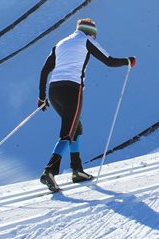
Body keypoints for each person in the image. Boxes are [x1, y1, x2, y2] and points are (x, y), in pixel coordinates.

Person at [38, 18, 135, 192]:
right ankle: (49, 170)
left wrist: (41, 97)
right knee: (68, 131)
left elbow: (45, 69)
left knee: (76, 127)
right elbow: (109, 61)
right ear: (91, 33)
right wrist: (128, 61)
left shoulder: (60, 43)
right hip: (72, 90)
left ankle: (77, 170)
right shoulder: (86, 40)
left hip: (54, 90)